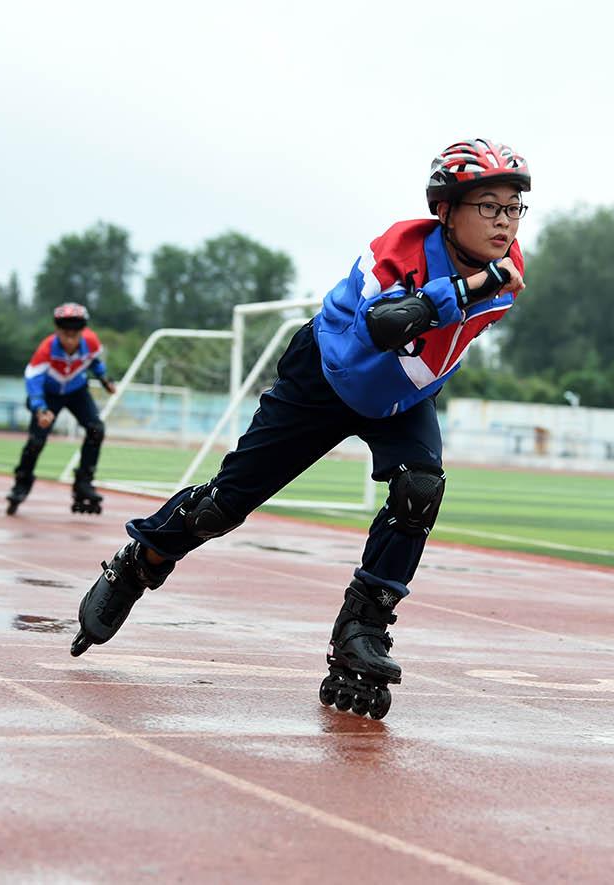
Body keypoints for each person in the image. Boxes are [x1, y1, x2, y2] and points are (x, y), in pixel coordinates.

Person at [70, 138, 531, 720]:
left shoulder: (510, 262)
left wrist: (476, 288)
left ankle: (363, 626)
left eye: (514, 206)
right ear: (445, 209)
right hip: (328, 376)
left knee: (420, 489)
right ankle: (141, 561)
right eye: (488, 205)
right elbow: (387, 324)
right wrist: (464, 289)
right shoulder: (397, 249)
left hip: (402, 394)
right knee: (224, 506)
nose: (505, 221)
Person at [6, 303, 117, 515]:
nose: (70, 339)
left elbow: (95, 362)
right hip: (48, 395)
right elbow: (33, 379)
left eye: (75, 334)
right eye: (65, 333)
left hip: (76, 391)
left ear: (82, 332)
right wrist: (40, 409)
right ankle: (21, 483)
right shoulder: (47, 349)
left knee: (96, 429)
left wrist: (104, 380)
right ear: (57, 330)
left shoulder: (91, 342)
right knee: (36, 441)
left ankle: (84, 481)